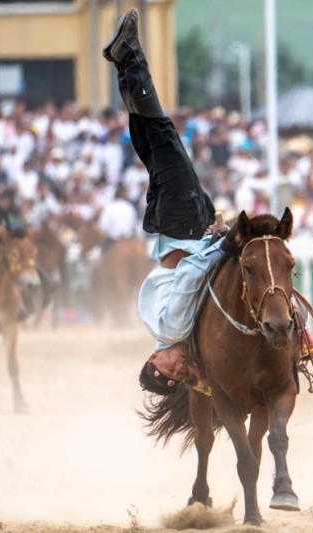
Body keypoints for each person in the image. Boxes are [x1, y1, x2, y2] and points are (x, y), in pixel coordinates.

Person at [103, 9, 225, 396]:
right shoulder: (159, 327)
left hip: (184, 224)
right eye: (181, 377)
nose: (181, 369)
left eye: (172, 372)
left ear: (154, 360)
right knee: (150, 140)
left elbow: (190, 274)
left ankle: (131, 57)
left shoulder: (171, 330)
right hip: (171, 226)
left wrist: (226, 244)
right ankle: (124, 65)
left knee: (163, 135)